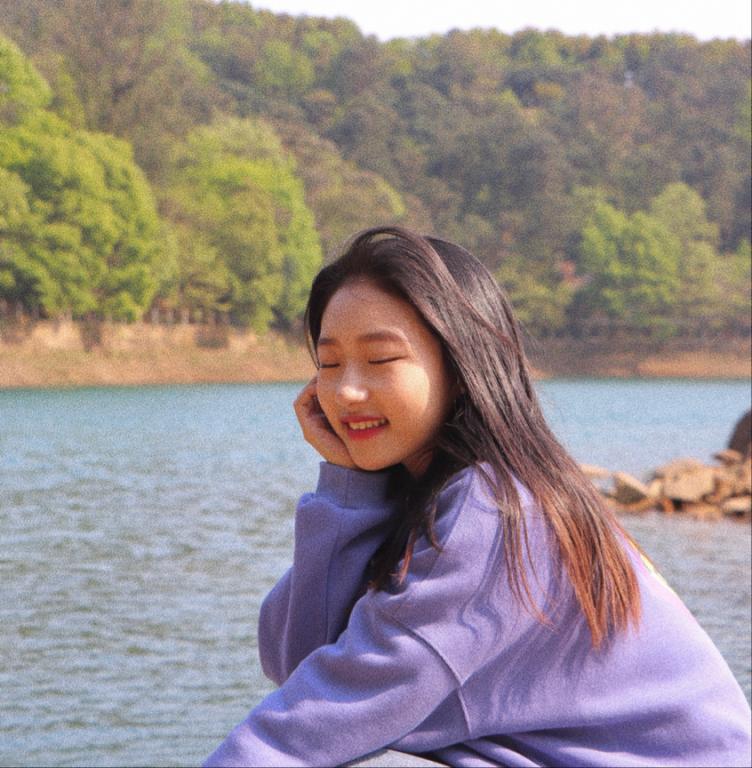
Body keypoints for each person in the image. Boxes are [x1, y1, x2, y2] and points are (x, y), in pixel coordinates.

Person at [204, 227, 751, 767]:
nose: (346, 391)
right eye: (328, 364)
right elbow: (305, 671)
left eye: (380, 359)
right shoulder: (425, 492)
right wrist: (349, 488)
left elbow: (325, 715)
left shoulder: (497, 507)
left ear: (463, 367)